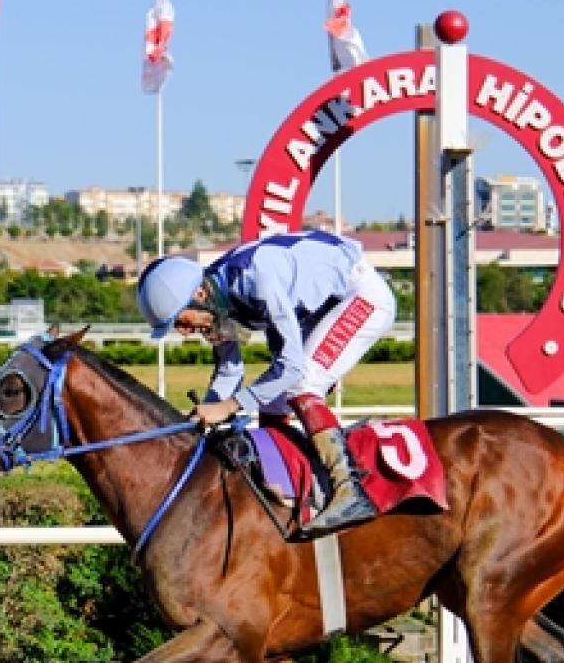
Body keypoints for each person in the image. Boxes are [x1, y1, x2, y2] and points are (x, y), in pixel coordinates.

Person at [136, 230, 397, 537]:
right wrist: (203, 418)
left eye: (181, 321)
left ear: (199, 295)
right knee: (273, 398)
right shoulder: (218, 301)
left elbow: (292, 365)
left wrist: (230, 406)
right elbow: (230, 372)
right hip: (328, 305)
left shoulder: (257, 278)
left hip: (362, 297)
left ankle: (348, 488)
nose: (182, 332)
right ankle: (289, 488)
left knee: (302, 382)